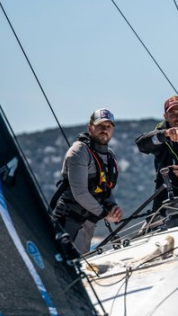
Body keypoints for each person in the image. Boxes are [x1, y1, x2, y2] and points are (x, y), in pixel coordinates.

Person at [50, 108, 123, 255]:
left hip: (88, 223)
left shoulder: (109, 155)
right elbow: (80, 193)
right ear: (90, 128)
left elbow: (105, 189)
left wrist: (113, 207)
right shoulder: (79, 151)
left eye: (108, 126)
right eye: (100, 126)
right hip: (69, 222)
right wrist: (104, 214)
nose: (104, 130)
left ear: (112, 130)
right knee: (66, 268)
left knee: (82, 267)